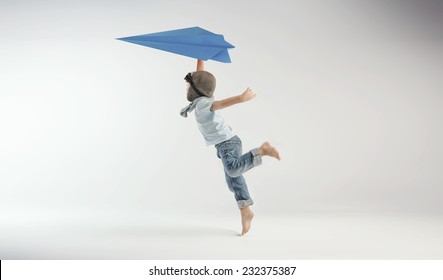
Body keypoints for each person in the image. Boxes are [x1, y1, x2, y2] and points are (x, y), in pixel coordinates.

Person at [180, 59, 281, 236]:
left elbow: (221, 103)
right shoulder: (200, 99)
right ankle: (245, 210)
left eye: (189, 86)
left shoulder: (204, 103)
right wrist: (200, 59)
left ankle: (262, 150)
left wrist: (241, 98)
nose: (186, 89)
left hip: (228, 143)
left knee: (233, 170)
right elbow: (200, 76)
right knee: (233, 180)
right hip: (223, 145)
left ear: (196, 90)